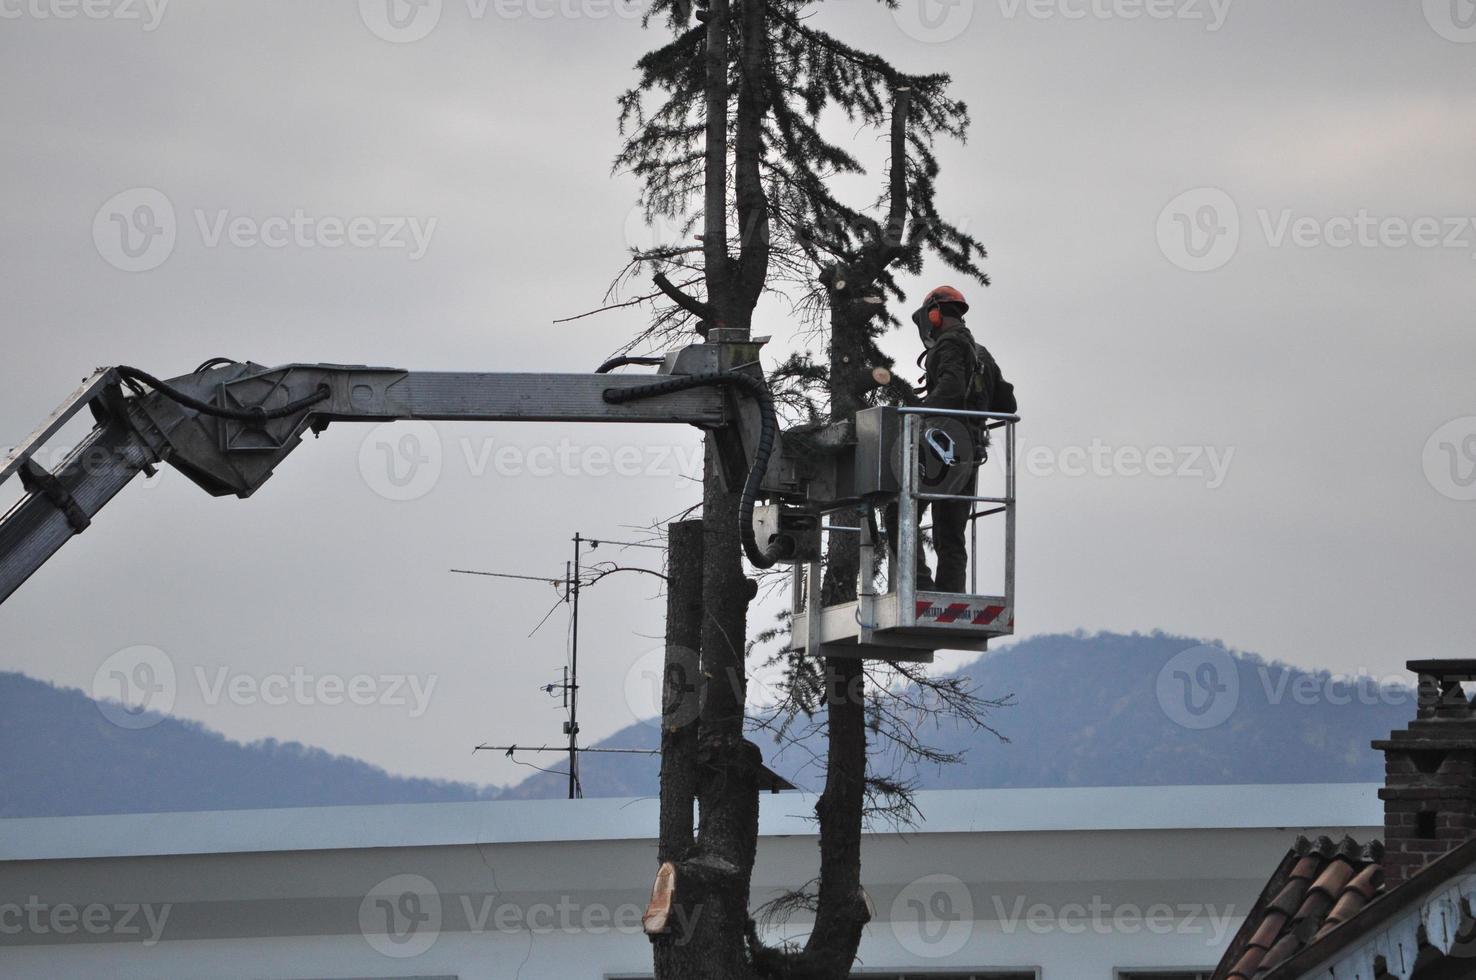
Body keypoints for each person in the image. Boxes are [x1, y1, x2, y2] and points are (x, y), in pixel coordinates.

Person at [889, 285, 1015, 594]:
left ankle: (918, 587)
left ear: (934, 315)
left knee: (899, 513)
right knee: (950, 532)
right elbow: (1007, 405)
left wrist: (913, 414)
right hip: (969, 452)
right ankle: (950, 596)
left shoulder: (947, 345)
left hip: (940, 446)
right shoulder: (981, 354)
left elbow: (951, 390)